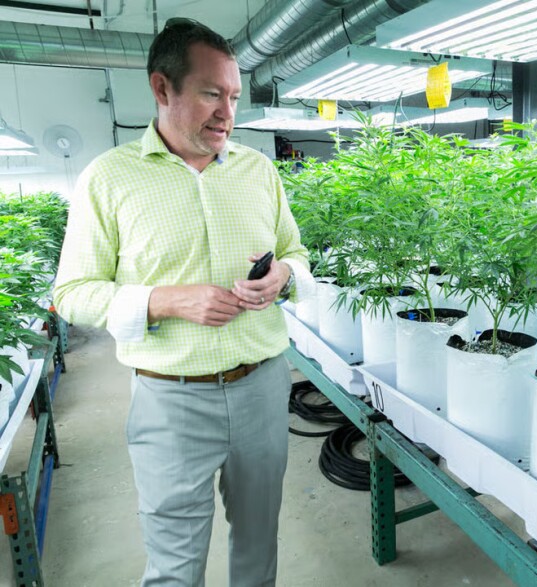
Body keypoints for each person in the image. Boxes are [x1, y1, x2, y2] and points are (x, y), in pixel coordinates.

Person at [53, 18, 312, 586]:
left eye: (235, 96)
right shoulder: (109, 179)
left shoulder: (257, 170)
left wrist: (285, 275)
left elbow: (295, 250)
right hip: (171, 400)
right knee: (174, 561)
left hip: (263, 387)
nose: (227, 112)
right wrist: (163, 301)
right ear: (162, 88)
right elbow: (71, 293)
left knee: (257, 541)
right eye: (211, 93)